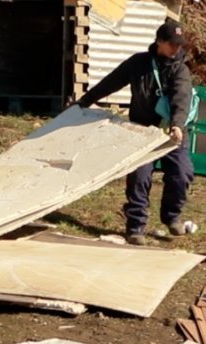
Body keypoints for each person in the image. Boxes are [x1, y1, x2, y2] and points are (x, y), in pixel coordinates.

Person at [77, 18, 196, 246]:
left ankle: (172, 217)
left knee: (182, 173)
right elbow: (111, 82)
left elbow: (182, 99)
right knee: (139, 178)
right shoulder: (138, 63)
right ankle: (135, 226)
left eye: (180, 44)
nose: (177, 48)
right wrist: (84, 101)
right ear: (159, 42)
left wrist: (178, 126)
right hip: (141, 131)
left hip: (171, 133)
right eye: (172, 43)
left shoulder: (181, 70)